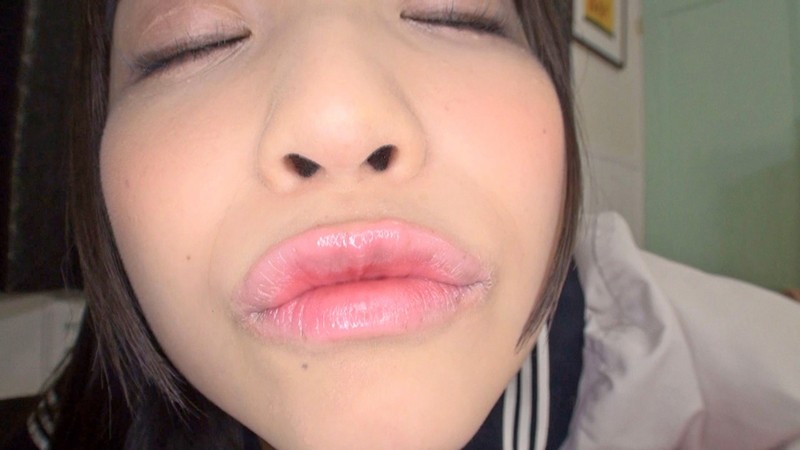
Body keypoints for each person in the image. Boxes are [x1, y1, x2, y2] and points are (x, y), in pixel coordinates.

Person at [5, 0, 800, 449]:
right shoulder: (88, 411)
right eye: (194, 43)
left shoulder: (746, 406)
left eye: (453, 12)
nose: (339, 119)